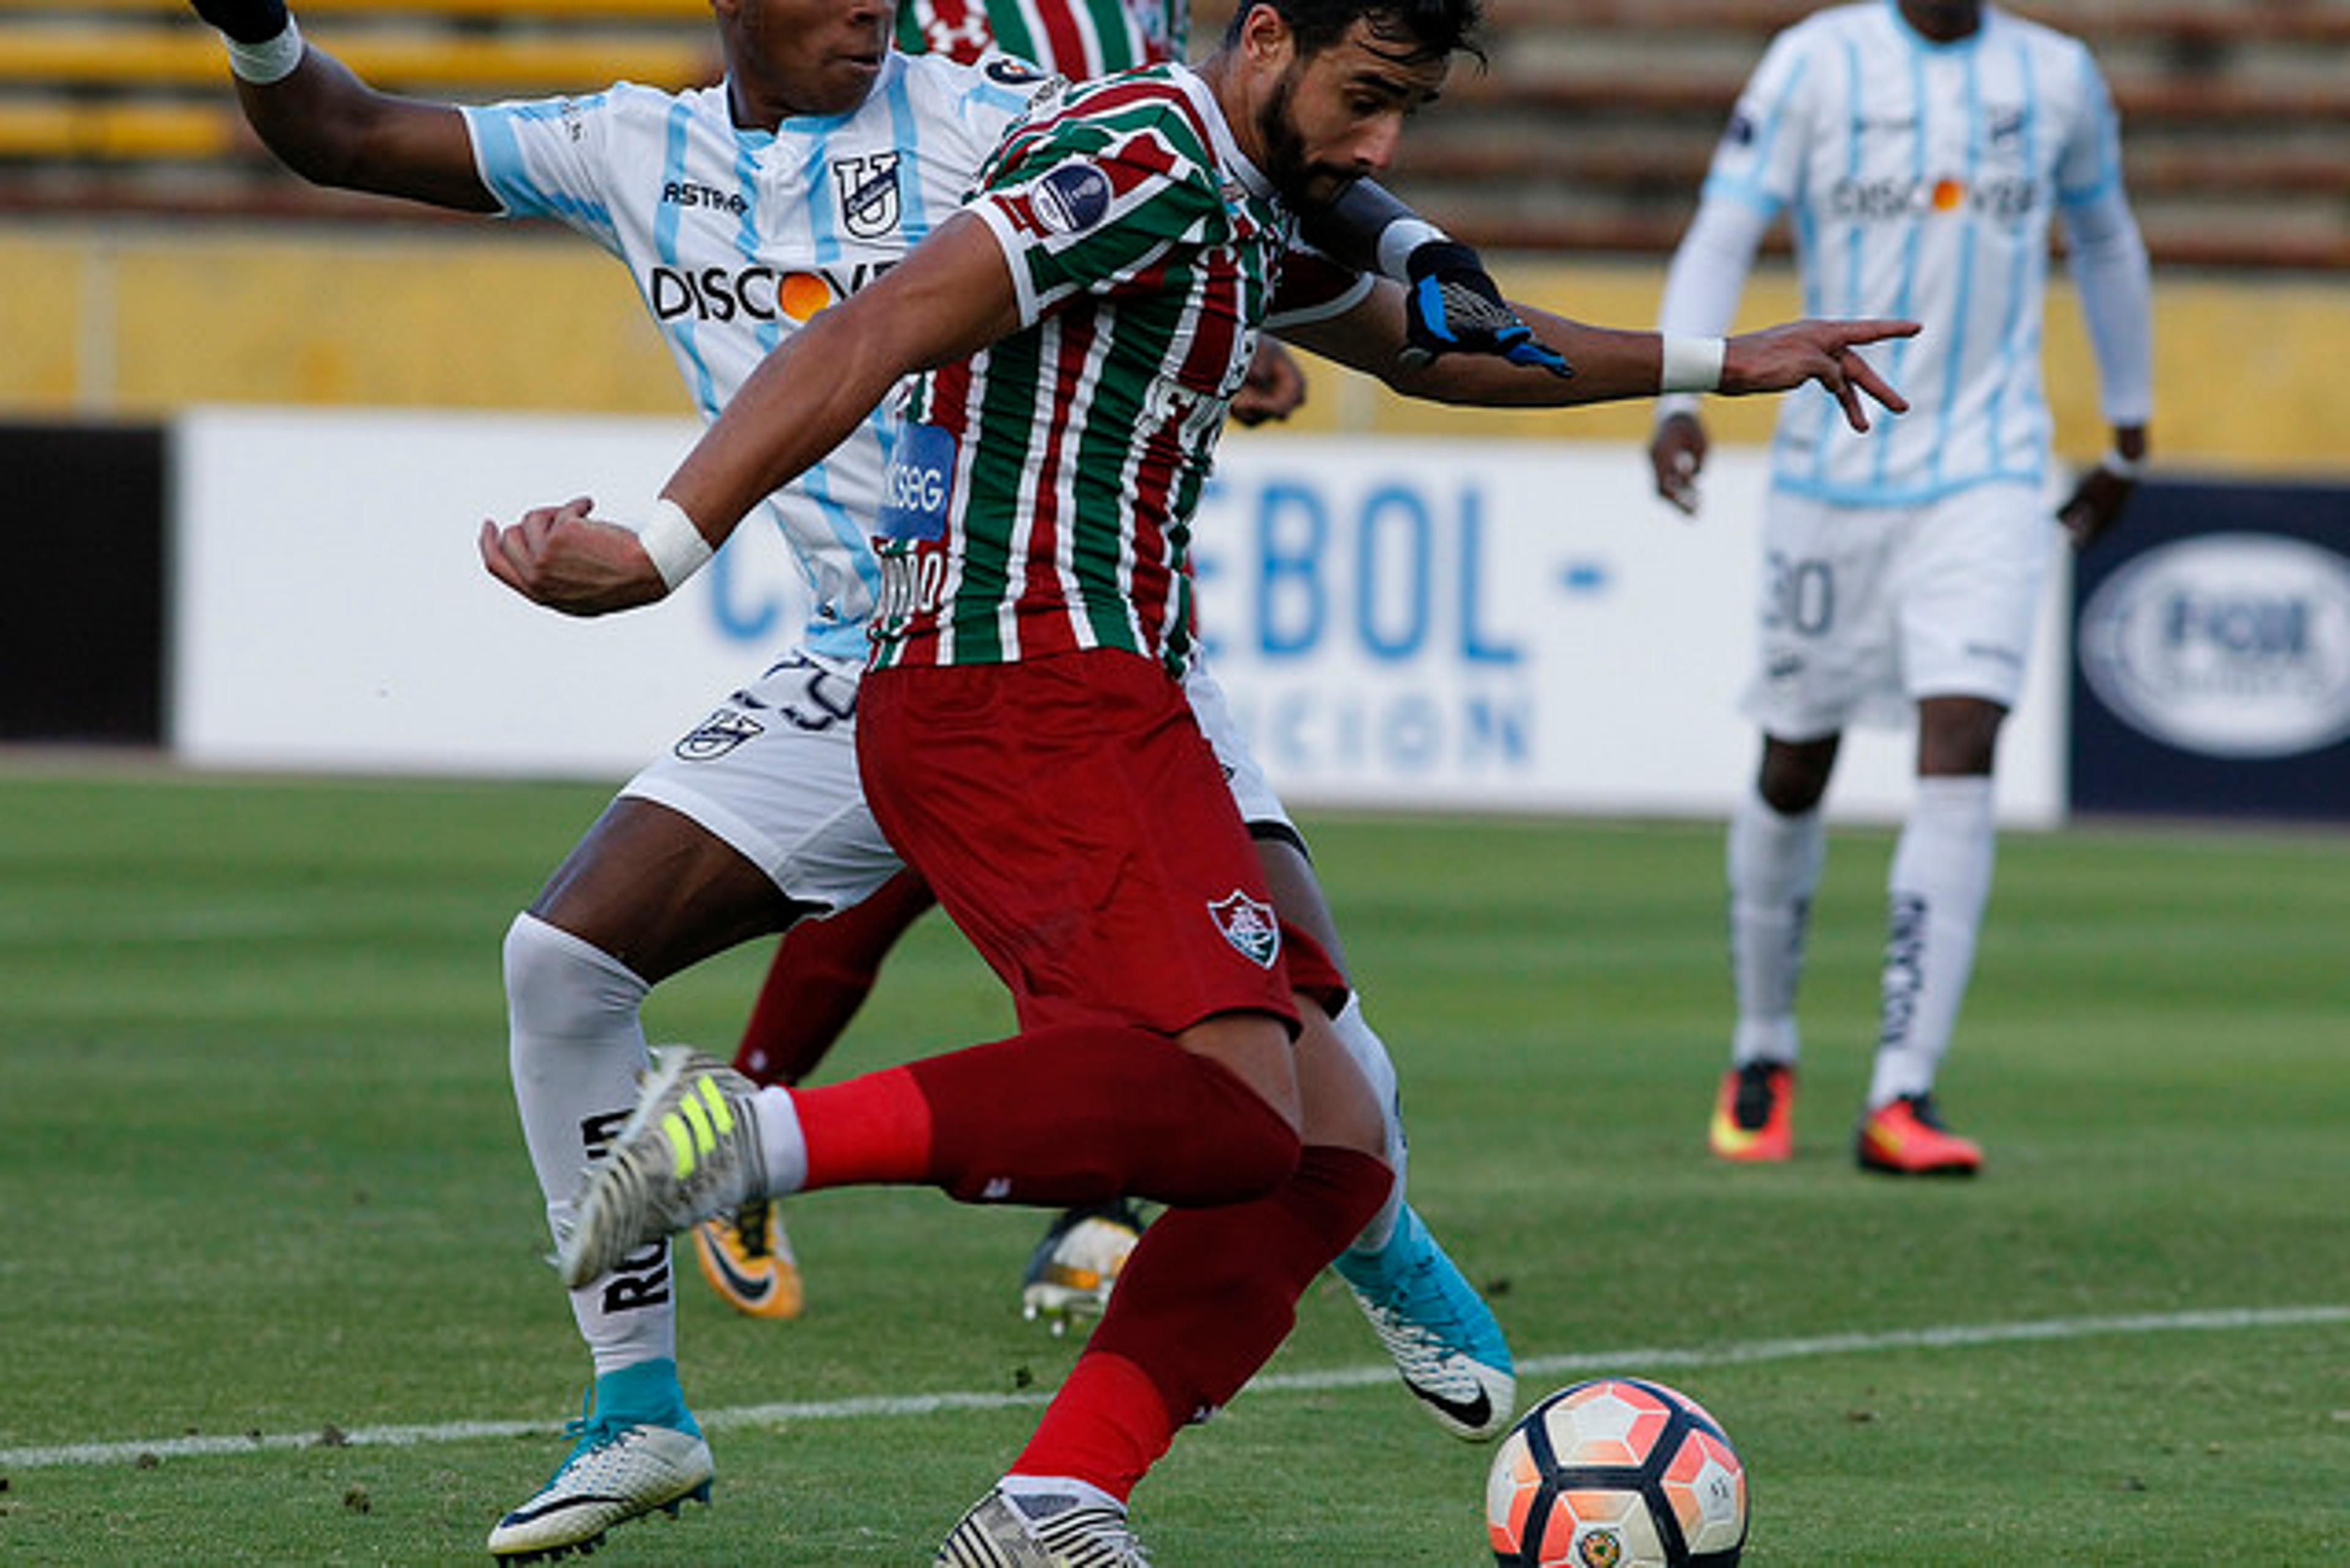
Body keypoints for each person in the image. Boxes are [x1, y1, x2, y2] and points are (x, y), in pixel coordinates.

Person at [483, 0, 1915, 1555]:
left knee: (1332, 1149)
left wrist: (1725, 360)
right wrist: (661, 546)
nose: (1378, 149)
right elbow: (874, 325)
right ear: (1263, 37)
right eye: (1364, 99)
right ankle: (744, 1143)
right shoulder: (1143, 148)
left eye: (1405, 115)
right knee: (1235, 1122)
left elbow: (1440, 346)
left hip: (1113, 692)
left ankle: (1055, 1498)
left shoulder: (1238, 185)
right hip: (1013, 682)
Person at [186, 0, 1560, 1557]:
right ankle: (636, 1413)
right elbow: (346, 134)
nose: (872, 6)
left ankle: (1372, 1240)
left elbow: (1270, 182)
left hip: (1075, 640)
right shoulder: (630, 146)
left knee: (1327, 1074)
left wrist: (1318, 292)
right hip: (862, 660)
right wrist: (255, 29)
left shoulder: (993, 108)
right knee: (560, 964)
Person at [1648, 0, 2153, 1176]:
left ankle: (1903, 1089)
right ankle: (1763, 1046)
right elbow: (1725, 230)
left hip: (1989, 469)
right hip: (1832, 473)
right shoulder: (1815, 63)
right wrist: (1679, 393)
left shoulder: (2058, 76)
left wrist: (2129, 431)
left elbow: (2111, 238)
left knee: (1963, 734)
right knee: (1795, 756)